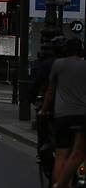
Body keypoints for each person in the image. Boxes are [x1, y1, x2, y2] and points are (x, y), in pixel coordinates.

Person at [39, 38, 86, 188]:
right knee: (79, 152)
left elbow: (51, 91)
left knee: (61, 154)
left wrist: (44, 110)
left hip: (63, 114)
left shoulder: (58, 65)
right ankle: (79, 177)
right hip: (82, 115)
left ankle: (58, 184)